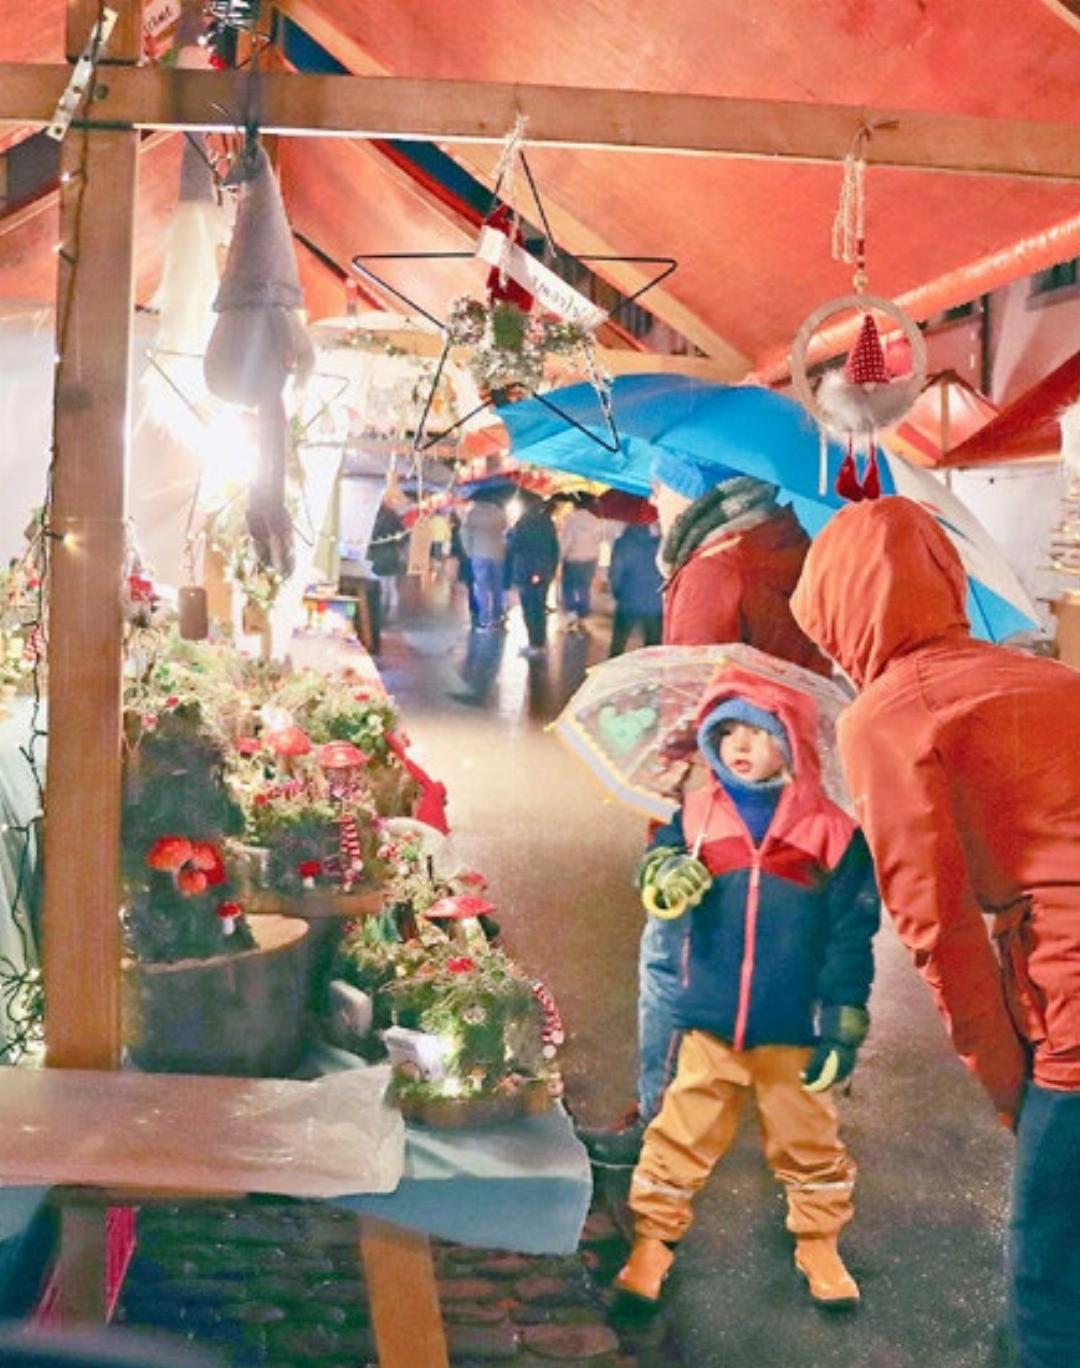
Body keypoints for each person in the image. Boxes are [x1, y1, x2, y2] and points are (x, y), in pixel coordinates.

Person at [789, 495, 1080, 1368]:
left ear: (837, 610)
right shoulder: (1052, 680)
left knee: (1049, 1301)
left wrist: (1009, 1087)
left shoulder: (887, 716)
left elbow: (938, 931)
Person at [582, 458, 828, 1165]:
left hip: (712, 796)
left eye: (662, 484)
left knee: (673, 957)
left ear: (695, 487)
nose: (654, 499)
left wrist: (656, 771)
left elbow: (687, 703)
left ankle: (657, 1128)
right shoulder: (794, 550)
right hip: (785, 789)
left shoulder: (716, 569)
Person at [614, 668, 878, 1310]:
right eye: (725, 730)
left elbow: (852, 933)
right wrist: (664, 871)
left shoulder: (831, 831)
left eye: (758, 732)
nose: (739, 744)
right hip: (708, 1020)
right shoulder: (696, 814)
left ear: (791, 742)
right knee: (680, 1135)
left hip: (792, 1026)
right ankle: (654, 1238)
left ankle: (818, 1239)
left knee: (809, 1141)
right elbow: (657, 868)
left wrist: (843, 1018)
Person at [653, 455, 827, 673]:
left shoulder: (711, 575)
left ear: (691, 493)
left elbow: (691, 691)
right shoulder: (779, 541)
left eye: (657, 487)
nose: (653, 500)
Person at [505, 495, 560, 657]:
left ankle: (534, 644)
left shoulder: (522, 524)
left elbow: (513, 546)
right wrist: (550, 570)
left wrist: (509, 535)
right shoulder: (548, 523)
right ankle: (540, 643)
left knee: (529, 608)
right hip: (543, 571)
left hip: (525, 570)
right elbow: (554, 550)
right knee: (539, 606)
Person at [608, 520, 663, 656]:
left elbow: (616, 573)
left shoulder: (623, 543)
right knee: (653, 648)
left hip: (628, 600)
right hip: (655, 603)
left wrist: (616, 593)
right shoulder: (658, 544)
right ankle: (650, 675)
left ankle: (613, 673)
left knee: (618, 644)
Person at [460, 495, 508, 630]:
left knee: (482, 588)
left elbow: (464, 533)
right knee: (498, 587)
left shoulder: (472, 514)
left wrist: (469, 550)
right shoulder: (500, 513)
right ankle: (497, 617)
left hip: (479, 554)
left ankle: (485, 619)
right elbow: (505, 528)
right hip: (498, 554)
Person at [559, 494, 606, 632]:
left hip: (573, 560)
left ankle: (572, 616)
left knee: (569, 588)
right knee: (584, 588)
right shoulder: (596, 521)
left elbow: (566, 542)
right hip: (590, 560)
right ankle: (583, 618)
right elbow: (600, 541)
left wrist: (560, 558)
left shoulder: (572, 520)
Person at [366, 499, 407, 621]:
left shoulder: (377, 520)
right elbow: (403, 536)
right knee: (391, 583)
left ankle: (383, 609)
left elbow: (373, 538)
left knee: (383, 584)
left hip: (380, 554)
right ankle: (392, 609)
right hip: (391, 553)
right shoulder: (394, 519)